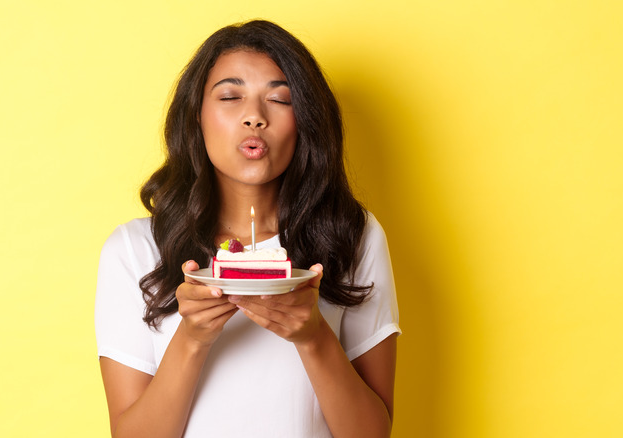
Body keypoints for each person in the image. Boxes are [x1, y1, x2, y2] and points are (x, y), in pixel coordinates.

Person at [95, 20, 401, 438]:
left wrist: (313, 338)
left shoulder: (353, 236)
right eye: (230, 96)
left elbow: (373, 434)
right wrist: (192, 337)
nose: (254, 117)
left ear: (305, 120)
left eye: (278, 99)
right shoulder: (134, 250)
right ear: (196, 116)